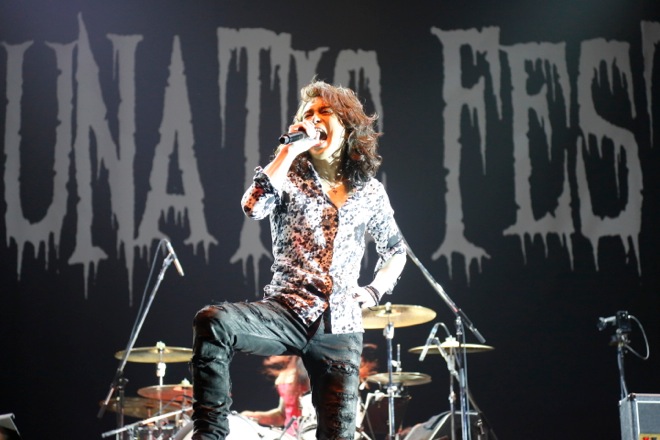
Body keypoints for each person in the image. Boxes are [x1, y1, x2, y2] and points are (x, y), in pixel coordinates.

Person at [190, 78, 407, 440]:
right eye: (308, 113)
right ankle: (209, 436)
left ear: (347, 126)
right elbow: (253, 206)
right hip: (286, 310)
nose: (315, 119)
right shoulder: (288, 175)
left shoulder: (369, 191)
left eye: (325, 112)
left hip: (340, 327)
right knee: (213, 322)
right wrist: (287, 152)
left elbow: (396, 251)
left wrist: (373, 291)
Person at [240, 355, 310, 435]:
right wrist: (255, 416)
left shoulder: (308, 370)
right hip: (290, 435)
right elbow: (282, 416)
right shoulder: (286, 373)